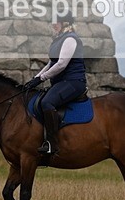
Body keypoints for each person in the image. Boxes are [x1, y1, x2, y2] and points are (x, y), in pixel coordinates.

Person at [23, 10, 86, 155]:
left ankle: (52, 143)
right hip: (61, 82)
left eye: (56, 21)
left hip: (73, 81)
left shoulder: (70, 39)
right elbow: (51, 63)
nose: (53, 24)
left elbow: (62, 64)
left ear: (65, 23)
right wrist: (35, 79)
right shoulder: (58, 40)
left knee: (47, 103)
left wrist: (42, 78)